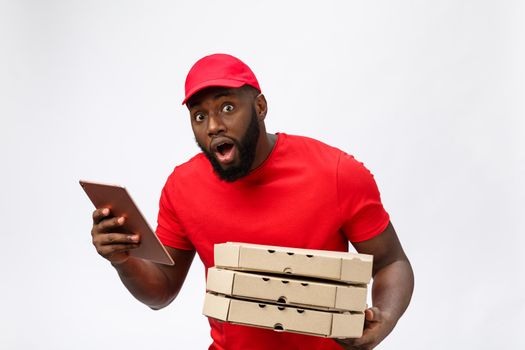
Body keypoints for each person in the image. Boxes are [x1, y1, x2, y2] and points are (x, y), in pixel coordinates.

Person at [90, 53, 414, 350]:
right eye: (199, 116)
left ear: (259, 107)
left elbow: (391, 262)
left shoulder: (337, 173)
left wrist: (384, 317)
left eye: (227, 108)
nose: (214, 125)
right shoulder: (181, 186)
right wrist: (123, 260)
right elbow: (161, 292)